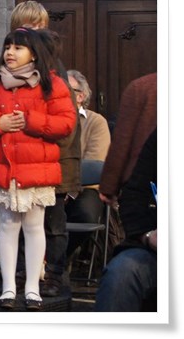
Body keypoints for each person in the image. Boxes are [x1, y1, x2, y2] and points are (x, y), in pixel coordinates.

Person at [0, 27, 76, 311]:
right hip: (4, 168)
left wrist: (31, 120)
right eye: (7, 46)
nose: (10, 52)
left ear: (34, 53)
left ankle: (32, 288)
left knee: (33, 227)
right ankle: (8, 287)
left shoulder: (51, 84)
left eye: (18, 47)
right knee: (6, 225)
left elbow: (66, 123)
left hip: (36, 169)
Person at [10, 0, 81, 299]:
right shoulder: (13, 63)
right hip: (25, 158)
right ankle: (25, 273)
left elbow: (65, 119)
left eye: (37, 26)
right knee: (20, 218)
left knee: (53, 222)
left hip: (55, 155)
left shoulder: (52, 66)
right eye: (25, 27)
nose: (32, 32)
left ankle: (53, 274)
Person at [95, 129, 157, 311]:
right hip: (157, 251)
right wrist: (147, 235)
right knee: (121, 273)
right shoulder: (164, 138)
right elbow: (134, 194)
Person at [64, 69, 111, 259]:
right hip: (51, 186)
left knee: (85, 215)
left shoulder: (96, 122)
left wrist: (69, 190)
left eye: (67, 89)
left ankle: (58, 260)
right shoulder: (50, 120)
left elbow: (94, 161)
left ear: (80, 96)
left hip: (85, 188)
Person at [98, 72, 157, 206]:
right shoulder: (142, 88)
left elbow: (122, 143)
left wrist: (109, 187)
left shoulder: (141, 88)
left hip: (143, 182)